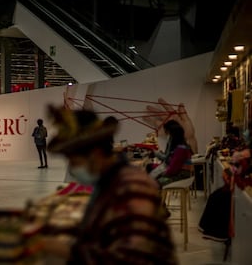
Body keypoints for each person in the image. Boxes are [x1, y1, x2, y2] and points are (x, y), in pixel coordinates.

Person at [41, 106, 177, 264]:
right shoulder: (109, 182)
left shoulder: (132, 188)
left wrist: (64, 250)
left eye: (74, 161)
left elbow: (130, 258)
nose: (72, 168)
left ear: (96, 155)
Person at [148, 120, 193, 187]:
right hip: (180, 173)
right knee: (153, 175)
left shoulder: (181, 149)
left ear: (174, 136)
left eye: (169, 134)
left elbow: (172, 169)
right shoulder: (181, 147)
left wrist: (162, 173)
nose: (168, 137)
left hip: (181, 175)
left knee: (154, 183)